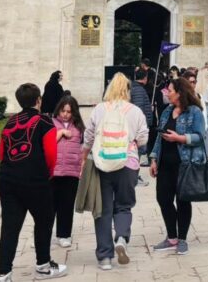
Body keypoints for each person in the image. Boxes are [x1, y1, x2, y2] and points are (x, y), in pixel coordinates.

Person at [0, 83, 67, 280]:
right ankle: (43, 266)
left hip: (8, 180)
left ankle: (3, 273)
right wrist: (48, 175)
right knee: (43, 222)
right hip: (35, 180)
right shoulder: (44, 122)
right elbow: (51, 154)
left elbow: (1, 153)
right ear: (38, 100)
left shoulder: (9, 123)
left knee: (10, 227)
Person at [82, 74, 149, 270]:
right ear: (127, 90)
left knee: (102, 209)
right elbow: (143, 138)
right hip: (128, 164)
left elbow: (88, 136)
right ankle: (121, 237)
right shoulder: (135, 111)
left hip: (102, 163)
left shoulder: (99, 109)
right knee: (124, 206)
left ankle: (104, 257)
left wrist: (84, 154)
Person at [150, 76, 207, 256]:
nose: (167, 93)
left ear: (180, 93)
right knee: (163, 198)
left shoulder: (194, 112)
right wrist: (153, 158)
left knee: (183, 200)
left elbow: (200, 137)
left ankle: (182, 238)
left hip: (185, 164)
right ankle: (171, 237)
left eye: (171, 91)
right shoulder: (167, 111)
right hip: (165, 163)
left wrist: (180, 138)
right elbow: (159, 136)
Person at [50, 95, 84, 249]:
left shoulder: (78, 127)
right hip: (53, 171)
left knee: (67, 204)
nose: (65, 114)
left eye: (69, 112)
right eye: (63, 111)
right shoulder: (50, 123)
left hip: (71, 171)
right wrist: (62, 132)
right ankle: (44, 234)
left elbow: (83, 147)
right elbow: (47, 144)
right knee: (50, 206)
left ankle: (64, 234)